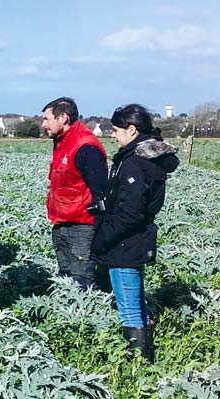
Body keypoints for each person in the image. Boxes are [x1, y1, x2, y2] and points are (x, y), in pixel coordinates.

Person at [93, 104, 178, 362]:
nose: (113, 135)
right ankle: (142, 358)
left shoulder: (134, 164)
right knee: (136, 300)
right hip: (137, 239)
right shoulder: (147, 159)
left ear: (132, 129)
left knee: (129, 307)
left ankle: (140, 364)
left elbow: (129, 214)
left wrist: (102, 240)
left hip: (125, 244)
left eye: (117, 130)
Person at [40, 97, 108, 289]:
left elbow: (101, 192)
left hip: (82, 228)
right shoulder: (62, 142)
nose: (43, 124)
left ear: (63, 118)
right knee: (66, 280)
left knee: (81, 282)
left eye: (46, 119)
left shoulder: (85, 147)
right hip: (62, 223)